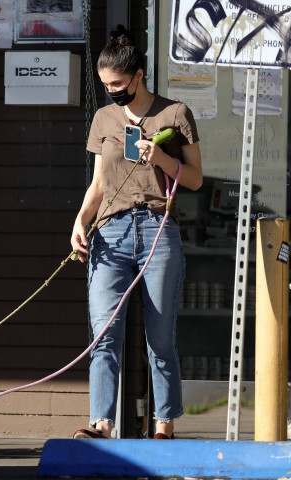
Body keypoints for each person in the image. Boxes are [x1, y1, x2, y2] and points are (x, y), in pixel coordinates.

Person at [70, 25, 202, 440]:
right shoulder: (103, 118)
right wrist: (80, 221)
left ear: (139, 76)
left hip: (157, 230)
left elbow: (196, 180)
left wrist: (160, 156)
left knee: (160, 339)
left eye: (118, 83)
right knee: (105, 335)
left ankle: (163, 426)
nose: (111, 91)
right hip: (110, 233)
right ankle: (102, 425)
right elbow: (98, 185)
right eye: (106, 84)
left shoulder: (174, 113)